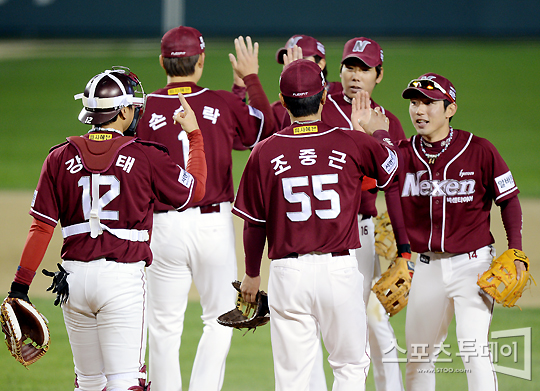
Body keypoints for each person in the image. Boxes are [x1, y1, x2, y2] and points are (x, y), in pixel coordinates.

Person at [5, 66, 206, 391]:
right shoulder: (145, 156)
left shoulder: (58, 157)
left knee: (88, 383)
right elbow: (194, 191)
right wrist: (194, 136)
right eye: (134, 107)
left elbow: (41, 227)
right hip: (121, 282)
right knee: (126, 382)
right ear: (124, 110)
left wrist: (19, 288)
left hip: (72, 283)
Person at [233, 59, 400, 391]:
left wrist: (253, 274)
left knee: (293, 377)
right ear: (324, 96)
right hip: (339, 272)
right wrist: (376, 131)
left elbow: (254, 224)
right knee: (351, 367)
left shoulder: (264, 152)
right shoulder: (352, 142)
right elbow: (393, 169)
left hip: (287, 276)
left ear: (282, 101)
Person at [135, 26, 274, 391]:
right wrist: (249, 81)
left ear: (163, 61)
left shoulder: (144, 108)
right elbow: (264, 129)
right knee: (218, 319)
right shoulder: (221, 103)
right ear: (201, 62)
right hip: (212, 228)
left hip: (162, 229)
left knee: (164, 325)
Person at [281, 37, 410, 390]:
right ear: (336, 70)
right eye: (349, 67)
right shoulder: (318, 103)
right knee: (316, 323)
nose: (356, 76)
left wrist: (404, 249)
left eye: (365, 69)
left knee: (373, 319)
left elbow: (393, 185)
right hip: (316, 232)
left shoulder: (386, 121)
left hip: (360, 232)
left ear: (379, 75)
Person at [396, 73, 525, 390]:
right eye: (415, 102)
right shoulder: (402, 153)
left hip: (474, 266)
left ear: (450, 108)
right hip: (425, 267)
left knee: (473, 349)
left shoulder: (479, 150)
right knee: (418, 357)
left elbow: (508, 200)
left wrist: (515, 251)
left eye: (429, 102)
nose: (419, 110)